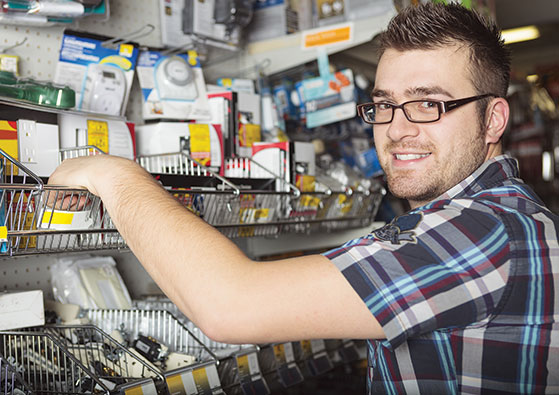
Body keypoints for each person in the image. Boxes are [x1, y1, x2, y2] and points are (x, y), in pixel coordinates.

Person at [49, 3, 559, 393]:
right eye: (385, 105)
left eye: (429, 103)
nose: (399, 129)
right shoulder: (507, 218)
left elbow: (230, 305)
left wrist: (111, 173)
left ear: (493, 118)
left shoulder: (480, 232)